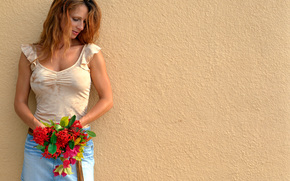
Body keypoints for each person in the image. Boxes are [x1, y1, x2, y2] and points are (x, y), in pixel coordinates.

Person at [14, 0, 113, 180]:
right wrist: (38, 128)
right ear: (59, 13)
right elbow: (19, 102)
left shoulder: (90, 53)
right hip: (38, 145)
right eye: (76, 19)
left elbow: (107, 99)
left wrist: (79, 125)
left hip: (75, 146)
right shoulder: (30, 54)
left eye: (84, 22)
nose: (81, 27)